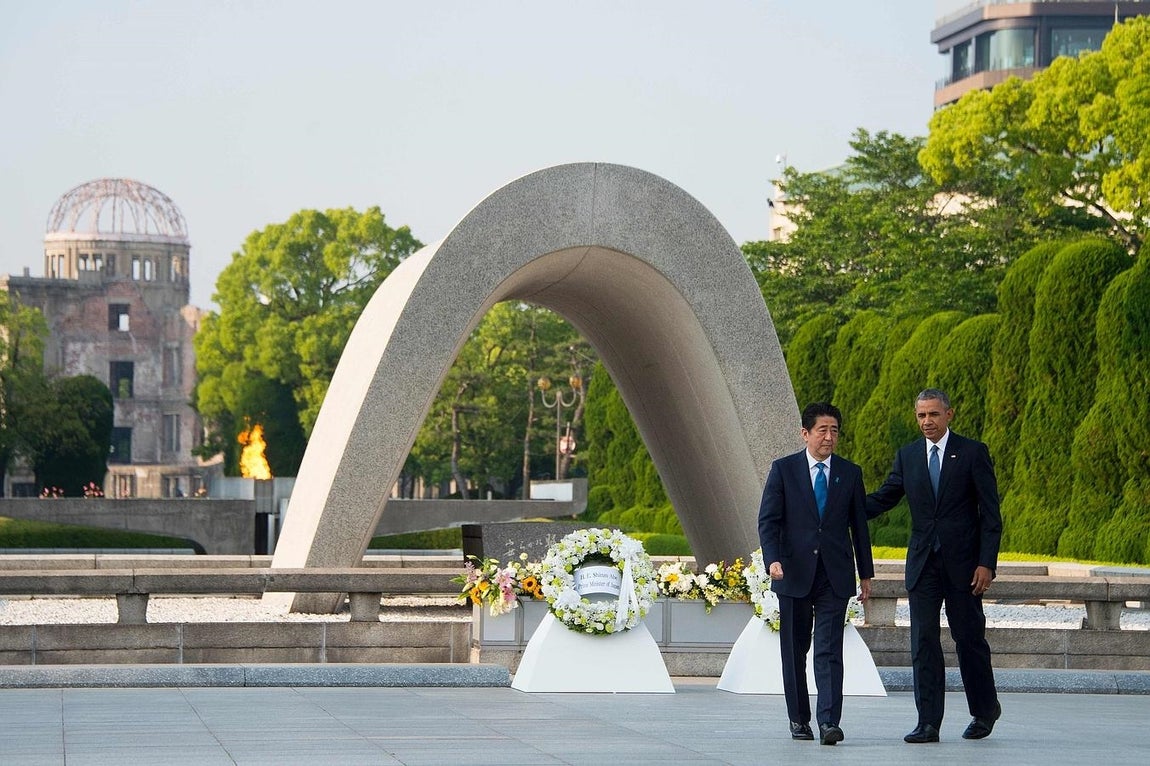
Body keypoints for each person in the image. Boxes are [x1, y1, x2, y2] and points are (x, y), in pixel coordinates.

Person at [866, 388, 1003, 744]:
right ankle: (928, 722)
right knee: (923, 641)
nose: (927, 421)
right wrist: (842, 507)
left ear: (949, 414)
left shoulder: (973, 453)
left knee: (968, 639)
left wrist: (986, 563)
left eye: (933, 414)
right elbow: (885, 497)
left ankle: (985, 710)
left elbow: (990, 515)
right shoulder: (908, 456)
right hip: (923, 565)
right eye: (921, 416)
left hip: (964, 567)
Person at [758, 402, 874, 746]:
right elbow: (769, 520)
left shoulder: (850, 473)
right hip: (793, 572)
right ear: (805, 433)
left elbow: (859, 527)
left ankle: (829, 722)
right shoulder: (784, 470)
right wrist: (772, 559)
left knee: (828, 648)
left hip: (834, 576)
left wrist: (865, 573)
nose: (829, 437)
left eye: (834, 430)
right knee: (794, 650)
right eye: (822, 430)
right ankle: (799, 719)